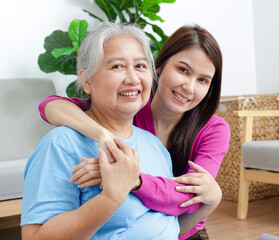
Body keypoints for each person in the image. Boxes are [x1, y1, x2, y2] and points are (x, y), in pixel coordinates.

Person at [38, 24, 230, 240]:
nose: (189, 87)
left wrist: (129, 177)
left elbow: (191, 195)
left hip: (186, 228)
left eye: (203, 80)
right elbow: (51, 105)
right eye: (182, 70)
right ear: (159, 66)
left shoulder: (213, 129)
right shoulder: (128, 107)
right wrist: (103, 136)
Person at [21, 22, 180, 239]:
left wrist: (210, 203)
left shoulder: (154, 145)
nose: (133, 78)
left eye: (141, 66)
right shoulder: (61, 145)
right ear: (87, 81)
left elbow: (167, 224)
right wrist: (111, 197)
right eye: (117, 66)